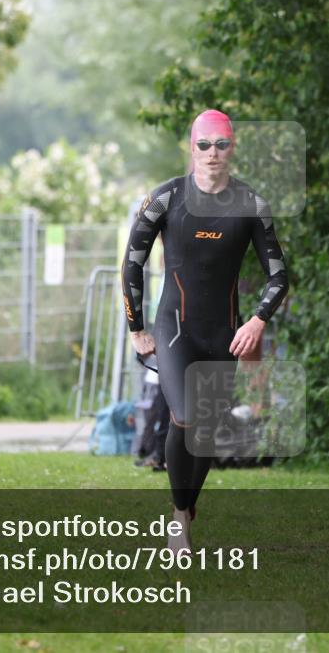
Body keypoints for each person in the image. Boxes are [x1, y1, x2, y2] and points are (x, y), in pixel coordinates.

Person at [120, 109, 289, 555]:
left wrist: (256, 321)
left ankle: (187, 504)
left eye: (221, 144)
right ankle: (179, 520)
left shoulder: (251, 204)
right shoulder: (165, 199)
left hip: (225, 334)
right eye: (203, 144)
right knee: (186, 416)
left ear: (232, 148)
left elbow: (279, 276)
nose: (212, 153)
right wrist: (136, 328)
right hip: (175, 331)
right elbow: (131, 264)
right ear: (191, 148)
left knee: (208, 432)